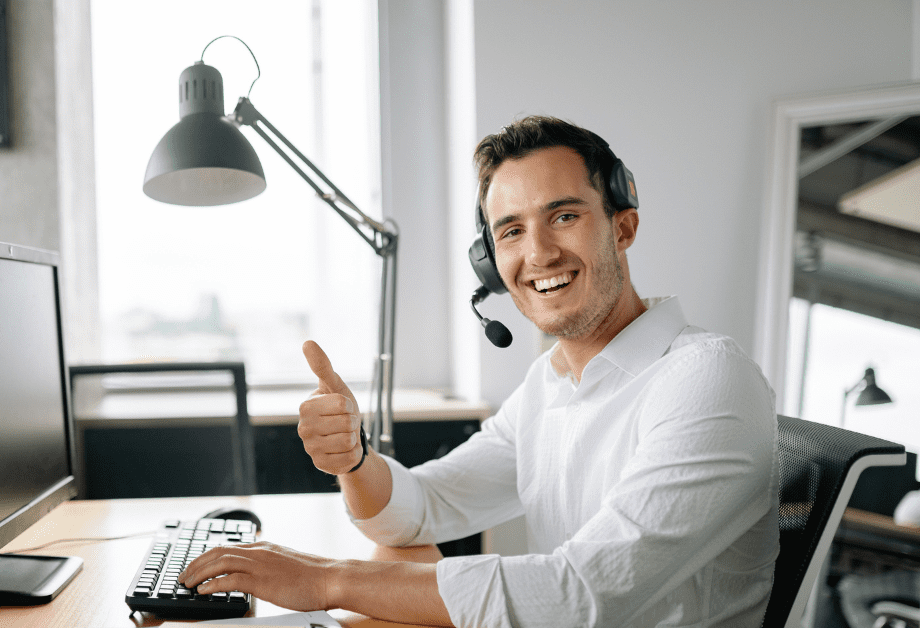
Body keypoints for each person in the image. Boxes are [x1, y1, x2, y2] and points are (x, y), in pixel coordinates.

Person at [179, 116, 778, 627]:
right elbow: (418, 509)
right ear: (492, 262)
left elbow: (581, 595)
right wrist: (353, 460)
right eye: (512, 231)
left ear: (622, 227)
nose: (538, 254)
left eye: (564, 216)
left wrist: (327, 581)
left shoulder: (705, 380)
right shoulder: (551, 383)